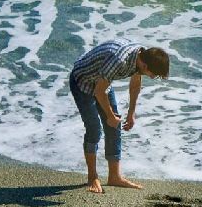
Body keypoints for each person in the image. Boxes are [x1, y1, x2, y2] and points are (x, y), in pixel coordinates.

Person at [70, 40, 170, 194]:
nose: (153, 77)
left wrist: (131, 114)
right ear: (145, 66)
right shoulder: (119, 60)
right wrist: (110, 115)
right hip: (82, 81)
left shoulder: (140, 56)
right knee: (94, 129)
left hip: (102, 82)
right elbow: (98, 92)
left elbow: (135, 84)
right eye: (154, 75)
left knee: (114, 125)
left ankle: (114, 176)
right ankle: (92, 177)